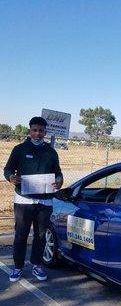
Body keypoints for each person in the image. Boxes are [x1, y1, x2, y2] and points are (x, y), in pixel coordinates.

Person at [3, 116, 63, 282]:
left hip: (45, 202)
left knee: (40, 235)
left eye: (41, 131)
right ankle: (17, 267)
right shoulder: (19, 149)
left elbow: (58, 172)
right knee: (21, 235)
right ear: (29, 130)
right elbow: (8, 169)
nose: (38, 133)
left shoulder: (51, 152)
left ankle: (37, 265)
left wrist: (59, 181)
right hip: (24, 200)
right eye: (34, 130)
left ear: (45, 132)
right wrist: (10, 177)